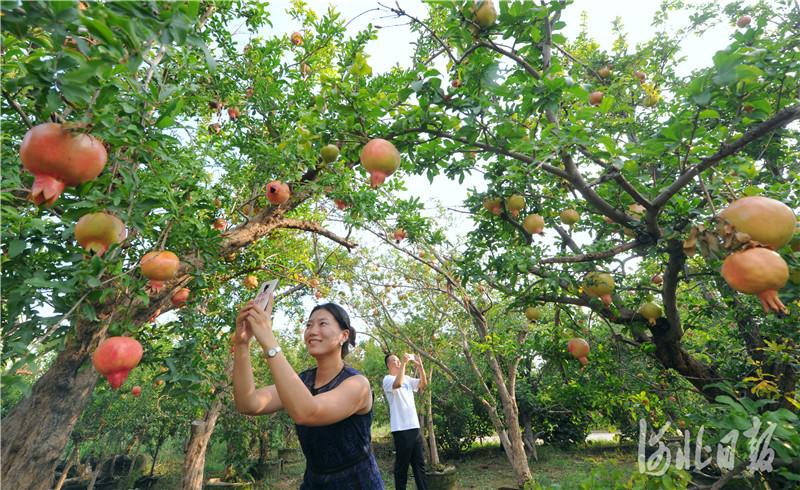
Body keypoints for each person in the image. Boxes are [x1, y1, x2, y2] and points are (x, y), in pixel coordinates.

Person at [232, 293, 384, 489]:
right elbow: (248, 403)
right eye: (309, 325)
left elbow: (308, 412)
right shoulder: (303, 382)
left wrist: (269, 340)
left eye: (322, 324)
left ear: (343, 336)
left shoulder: (357, 384)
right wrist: (242, 343)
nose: (312, 331)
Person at [383, 352, 428, 490]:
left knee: (419, 465)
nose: (398, 362)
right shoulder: (388, 379)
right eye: (395, 361)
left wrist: (420, 367)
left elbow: (423, 384)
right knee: (402, 467)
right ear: (388, 365)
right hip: (401, 429)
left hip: (414, 427)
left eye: (399, 360)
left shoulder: (407, 379)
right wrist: (403, 363)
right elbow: (397, 384)